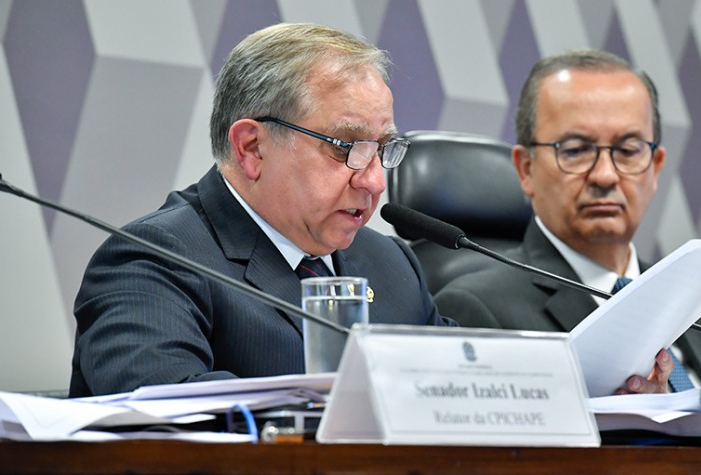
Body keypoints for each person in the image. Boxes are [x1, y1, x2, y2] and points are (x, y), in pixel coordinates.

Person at [69, 23, 453, 397]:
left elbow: (457, 392)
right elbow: (168, 417)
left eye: (383, 148)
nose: (373, 182)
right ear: (252, 148)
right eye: (344, 146)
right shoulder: (153, 261)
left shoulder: (390, 264)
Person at [434, 48, 701, 393]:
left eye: (628, 150)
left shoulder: (694, 303)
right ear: (527, 169)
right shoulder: (476, 310)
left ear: (655, 167)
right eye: (576, 150)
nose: (605, 175)